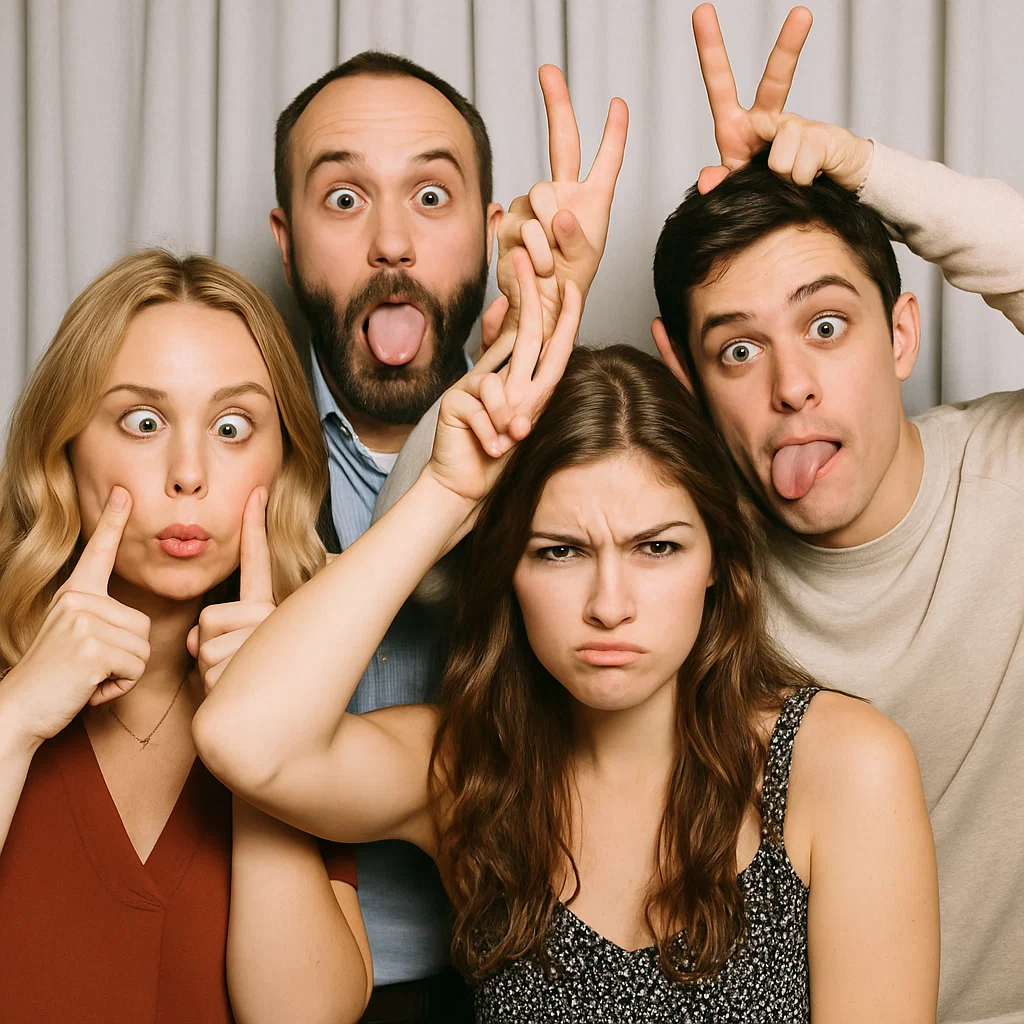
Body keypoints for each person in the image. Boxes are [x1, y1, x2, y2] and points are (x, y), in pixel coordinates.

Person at [192, 250, 939, 1022]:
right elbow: (245, 739)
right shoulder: (462, 770)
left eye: (657, 548)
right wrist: (447, 494)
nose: (609, 605)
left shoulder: (841, 766)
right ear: (507, 568)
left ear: (717, 559)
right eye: (560, 551)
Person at [646, 7, 1024, 1022]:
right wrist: (526, 341)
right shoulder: (667, 565)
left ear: (901, 332)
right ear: (685, 377)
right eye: (737, 349)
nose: (791, 386)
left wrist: (865, 169)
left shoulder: (1011, 473)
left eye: (824, 323)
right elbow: (434, 559)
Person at [270, 49, 627, 1015]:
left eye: (431, 196)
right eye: (343, 200)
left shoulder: (592, 448)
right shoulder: (213, 449)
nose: (391, 242)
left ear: (491, 225)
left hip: (523, 983)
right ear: (285, 235)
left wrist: (542, 331)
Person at [0, 249, 371, 1024]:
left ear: (287, 463)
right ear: (64, 444)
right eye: (143, 421)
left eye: (233, 427)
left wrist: (259, 738)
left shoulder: (310, 697)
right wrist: (18, 715)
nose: (189, 472)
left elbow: (301, 1017)